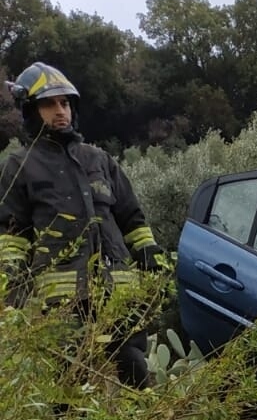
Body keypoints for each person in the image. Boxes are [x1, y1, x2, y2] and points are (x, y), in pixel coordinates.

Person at [0, 61, 167, 386]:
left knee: (137, 379)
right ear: (30, 110)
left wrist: (150, 257)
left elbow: (132, 218)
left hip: (118, 292)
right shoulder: (20, 166)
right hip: (63, 304)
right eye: (49, 103)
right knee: (67, 389)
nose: (60, 110)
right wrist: (12, 293)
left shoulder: (99, 160)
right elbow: (11, 236)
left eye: (65, 103)